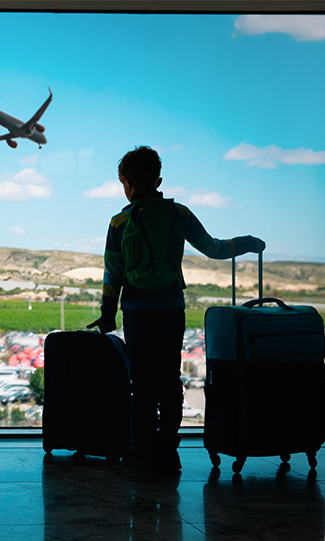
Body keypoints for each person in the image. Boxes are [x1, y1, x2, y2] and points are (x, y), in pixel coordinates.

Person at [88, 145, 265, 472]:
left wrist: (108, 313)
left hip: (136, 310)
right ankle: (169, 449)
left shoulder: (119, 221)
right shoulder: (178, 214)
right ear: (158, 179)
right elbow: (214, 248)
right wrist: (248, 242)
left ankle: (142, 449)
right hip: (171, 307)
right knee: (169, 379)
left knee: (140, 380)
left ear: (126, 181)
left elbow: (112, 274)